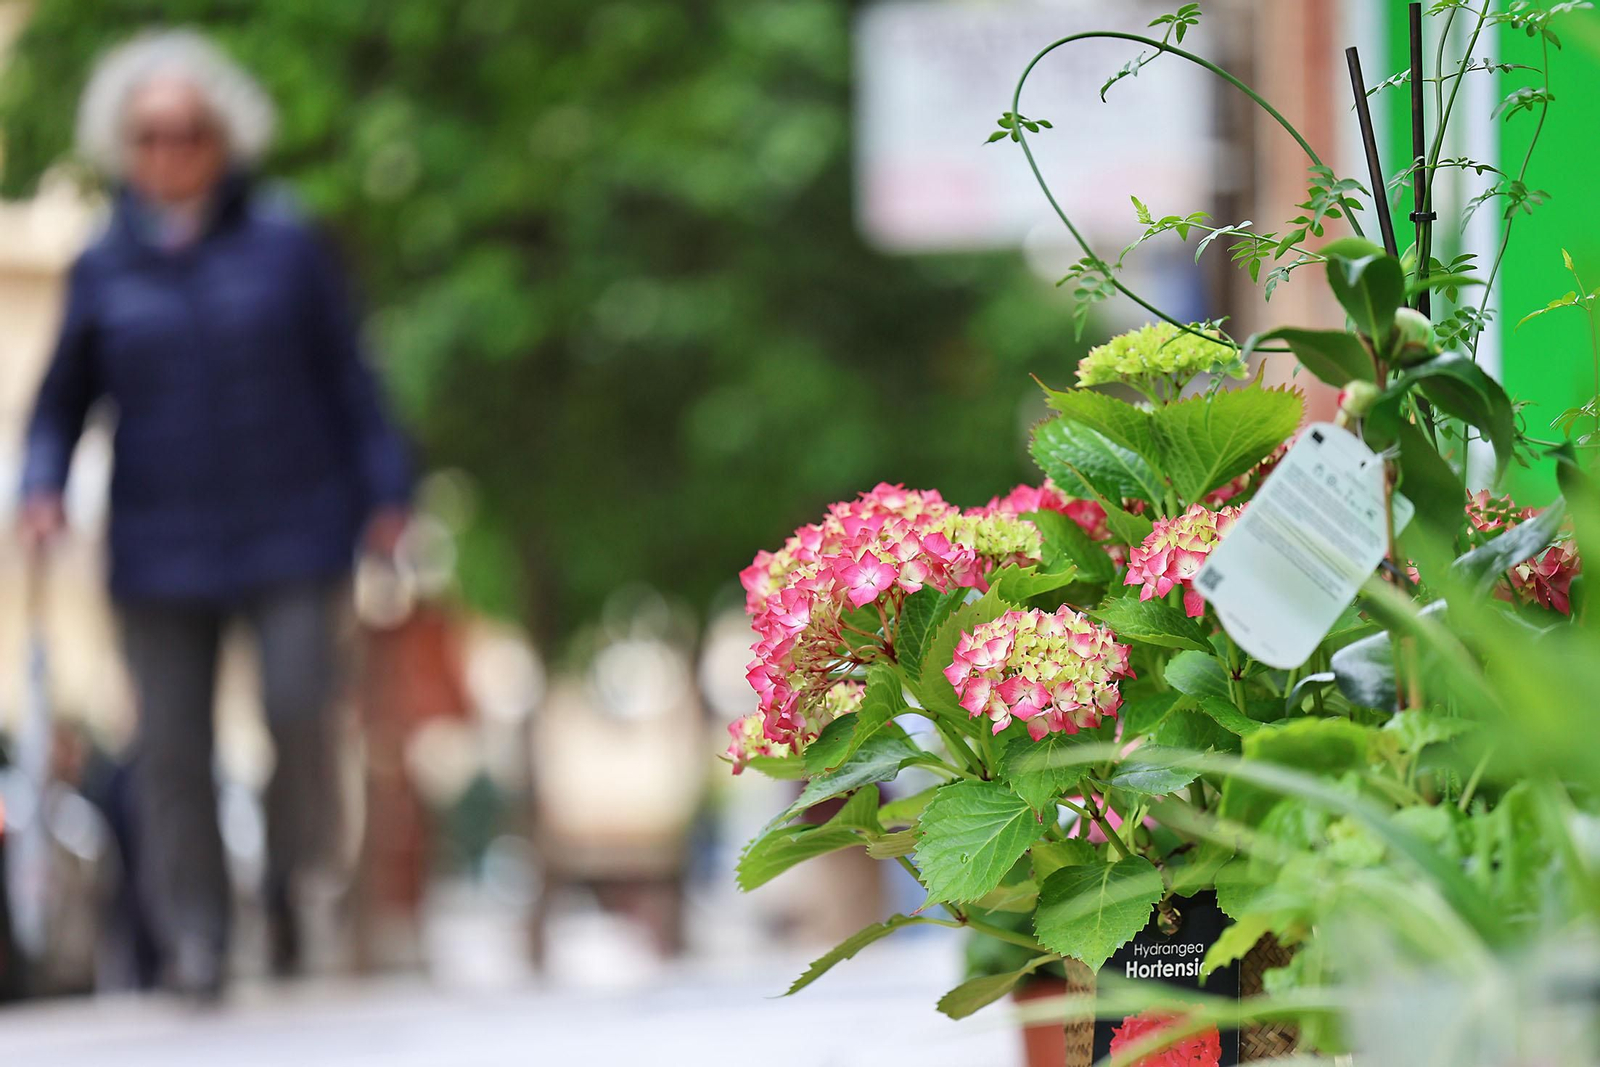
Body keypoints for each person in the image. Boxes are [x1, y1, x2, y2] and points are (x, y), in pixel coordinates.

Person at [15, 30, 411, 999]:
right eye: (148, 135)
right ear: (125, 145)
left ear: (223, 137)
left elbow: (352, 380)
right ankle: (193, 936)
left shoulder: (289, 242)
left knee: (298, 707)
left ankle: (286, 882)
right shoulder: (103, 263)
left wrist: (388, 489)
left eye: (189, 131)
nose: (169, 151)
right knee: (172, 749)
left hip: (294, 523)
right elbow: (60, 400)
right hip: (159, 538)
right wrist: (39, 483)